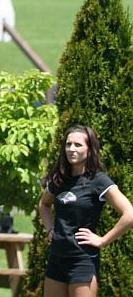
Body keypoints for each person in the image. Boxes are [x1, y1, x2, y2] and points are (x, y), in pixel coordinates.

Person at [39, 124, 133, 296]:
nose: (71, 149)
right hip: (56, 259)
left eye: (77, 145)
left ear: (90, 150)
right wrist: (50, 229)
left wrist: (103, 240)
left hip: (82, 261)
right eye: (68, 144)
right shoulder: (59, 179)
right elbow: (44, 205)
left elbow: (130, 214)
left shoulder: (99, 181)